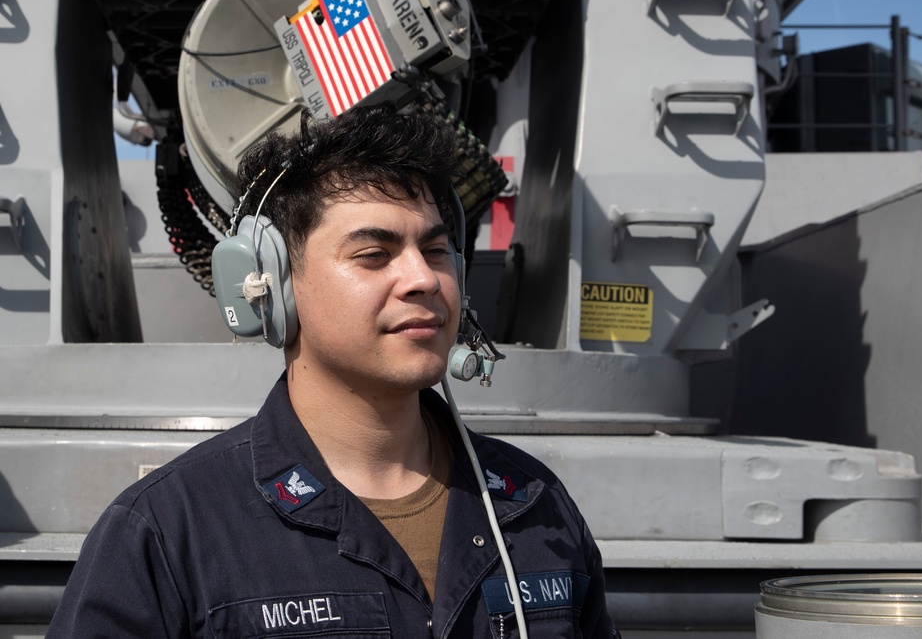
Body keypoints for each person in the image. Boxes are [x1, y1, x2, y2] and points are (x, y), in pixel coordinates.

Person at [47, 103, 617, 637]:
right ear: (270, 288)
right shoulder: (170, 530)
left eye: (437, 251)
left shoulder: (534, 504)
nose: (423, 278)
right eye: (374, 255)